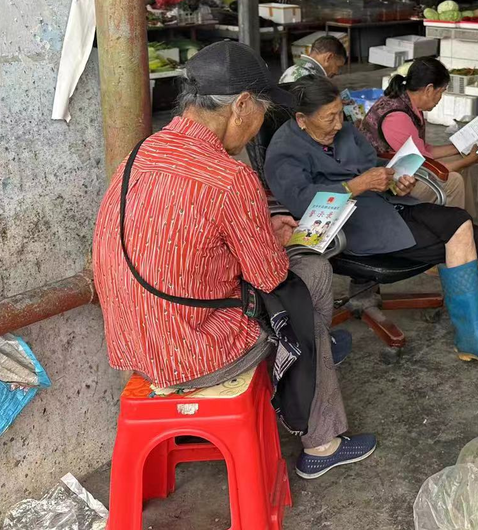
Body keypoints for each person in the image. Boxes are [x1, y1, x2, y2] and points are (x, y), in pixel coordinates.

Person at [91, 41, 375, 481]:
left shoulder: (139, 155)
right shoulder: (230, 176)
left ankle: (310, 363)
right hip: (195, 352)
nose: (260, 123)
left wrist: (260, 226)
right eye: (262, 110)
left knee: (300, 293)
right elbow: (269, 275)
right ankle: (321, 440)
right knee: (312, 276)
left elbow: (185, 239)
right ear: (242, 105)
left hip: (133, 344)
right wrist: (272, 237)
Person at [264, 76, 478, 366]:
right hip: (347, 225)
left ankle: (473, 333)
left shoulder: (342, 131)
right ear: (302, 119)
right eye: (328, 117)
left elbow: (373, 163)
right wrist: (355, 186)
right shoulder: (284, 149)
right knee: (465, 236)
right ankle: (471, 337)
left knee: (470, 228)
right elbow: (299, 200)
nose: (338, 124)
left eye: (339, 114)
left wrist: (395, 180)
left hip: (385, 204)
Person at [359, 57, 478, 215]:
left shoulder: (405, 102)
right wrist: (467, 160)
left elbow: (423, 151)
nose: (440, 99)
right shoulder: (398, 117)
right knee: (454, 180)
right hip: (390, 186)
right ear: (429, 89)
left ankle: (469, 225)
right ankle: (455, 232)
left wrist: (459, 147)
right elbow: (426, 167)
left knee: (461, 160)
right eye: (440, 92)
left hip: (403, 168)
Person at [279, 35, 348, 84]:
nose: (336, 72)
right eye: (338, 66)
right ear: (328, 57)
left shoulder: (291, 69)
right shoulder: (312, 79)